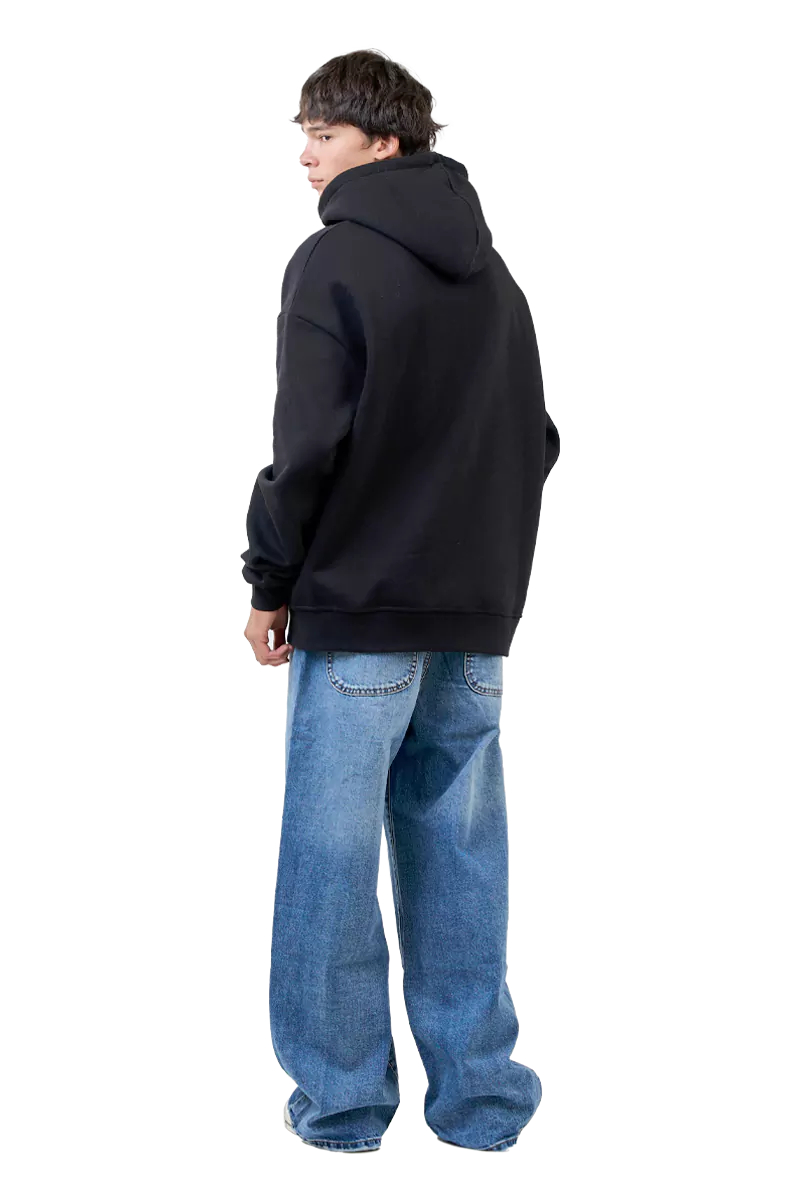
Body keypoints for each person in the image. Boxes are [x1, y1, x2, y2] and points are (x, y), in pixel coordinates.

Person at [240, 47, 560, 1154]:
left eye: (321, 136)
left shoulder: (332, 261)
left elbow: (304, 450)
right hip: (474, 624)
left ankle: (341, 1108)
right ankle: (480, 1104)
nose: (306, 157)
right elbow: (538, 440)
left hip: (358, 613)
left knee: (329, 867)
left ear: (381, 139)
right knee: (460, 859)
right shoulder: (495, 274)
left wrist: (268, 581)